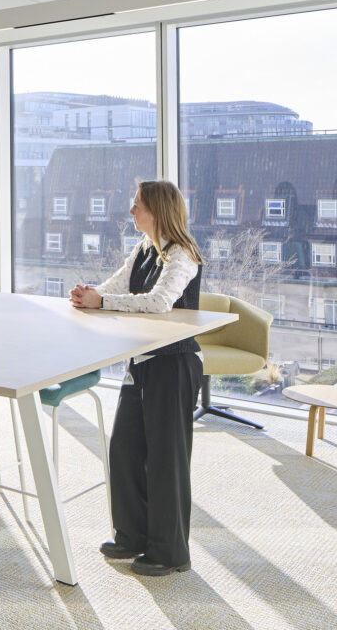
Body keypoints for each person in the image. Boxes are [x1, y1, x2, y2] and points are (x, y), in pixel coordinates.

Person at [69, 180, 204, 577]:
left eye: (137, 205)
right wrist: (89, 294)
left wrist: (103, 301)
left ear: (158, 211)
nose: (131, 212)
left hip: (174, 365)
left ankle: (170, 551)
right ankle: (132, 535)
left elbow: (160, 303)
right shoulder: (144, 249)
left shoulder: (183, 253)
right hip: (141, 363)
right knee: (124, 449)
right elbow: (116, 286)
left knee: (165, 459)